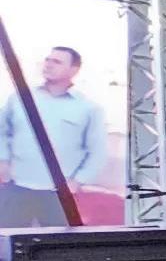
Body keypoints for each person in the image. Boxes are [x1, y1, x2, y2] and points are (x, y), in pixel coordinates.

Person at [0, 44, 107, 226]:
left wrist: (78, 182)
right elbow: (2, 131)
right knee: (6, 241)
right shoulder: (19, 98)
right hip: (16, 188)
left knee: (58, 243)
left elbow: (97, 152)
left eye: (57, 62)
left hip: (59, 195)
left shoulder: (88, 108)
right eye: (47, 60)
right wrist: (3, 161)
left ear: (74, 70)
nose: (48, 65)